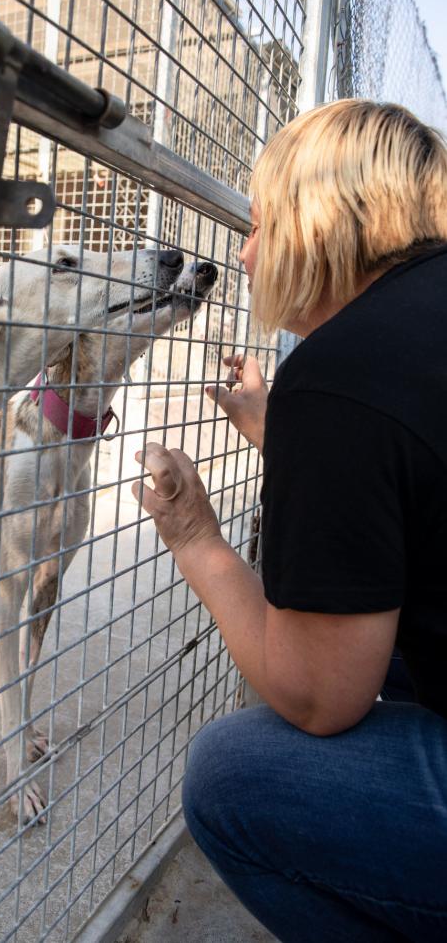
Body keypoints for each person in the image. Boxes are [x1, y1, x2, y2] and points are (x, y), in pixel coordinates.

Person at [132, 99, 447, 942]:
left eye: (260, 223)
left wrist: (195, 536)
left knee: (233, 776)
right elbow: (417, 474)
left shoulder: (344, 373)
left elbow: (318, 698)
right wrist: (291, 439)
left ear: (319, 224)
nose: (244, 253)